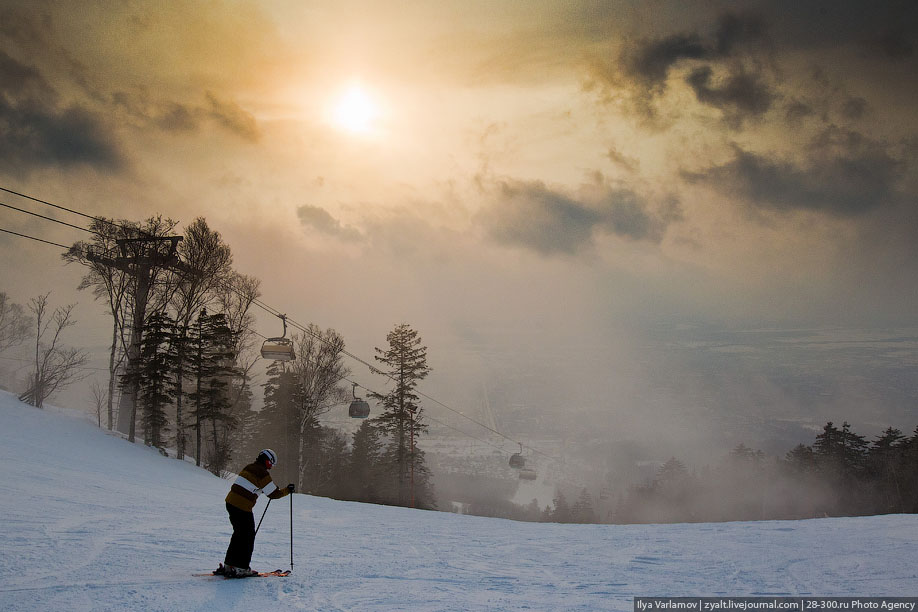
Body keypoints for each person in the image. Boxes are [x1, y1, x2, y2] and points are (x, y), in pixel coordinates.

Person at [215, 448, 294, 578]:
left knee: (238, 535)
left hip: (231, 503)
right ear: (267, 461)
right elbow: (273, 494)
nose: (271, 467)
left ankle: (230, 565)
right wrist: (287, 490)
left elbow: (251, 484)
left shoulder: (250, 467)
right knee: (248, 536)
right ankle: (241, 568)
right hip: (242, 506)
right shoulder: (262, 473)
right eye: (271, 464)